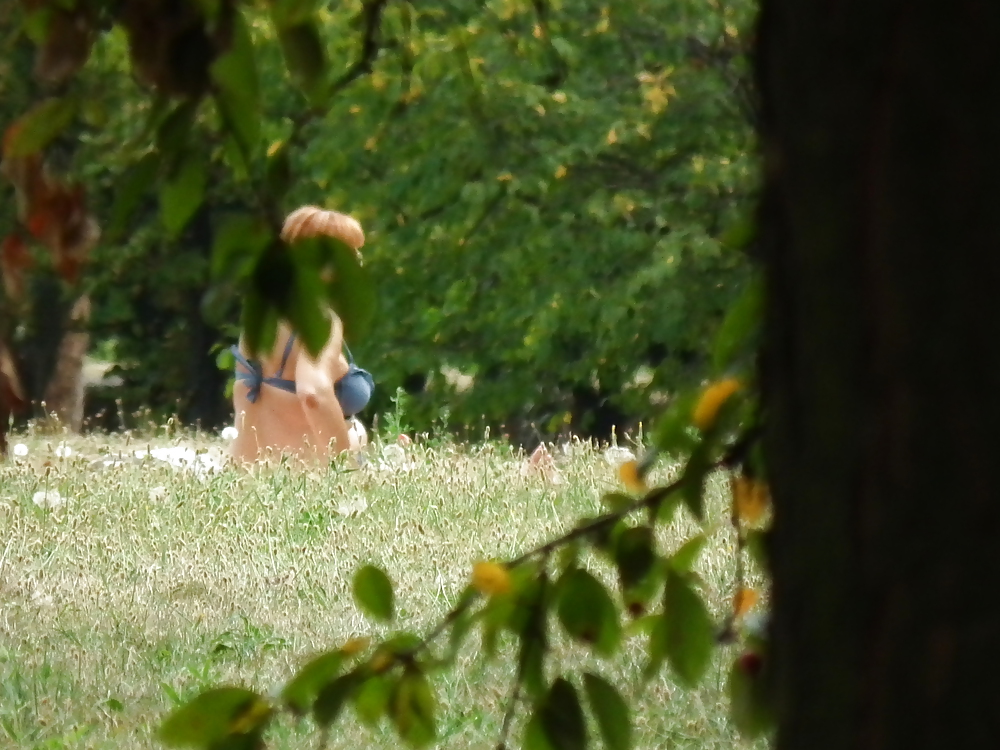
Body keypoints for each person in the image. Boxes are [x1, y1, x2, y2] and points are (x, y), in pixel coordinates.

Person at [227, 206, 374, 465]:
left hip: (252, 476)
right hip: (307, 479)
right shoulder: (320, 322)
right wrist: (346, 470)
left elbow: (251, 400)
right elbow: (313, 392)